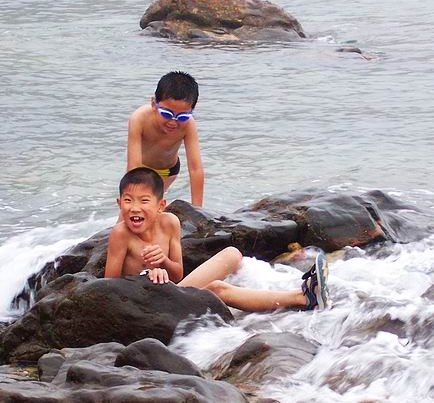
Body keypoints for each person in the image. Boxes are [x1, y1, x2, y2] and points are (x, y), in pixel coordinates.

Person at [105, 167, 329, 312]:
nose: (135, 208)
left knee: (232, 254)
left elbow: (177, 274)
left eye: (144, 201)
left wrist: (162, 262)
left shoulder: (170, 222)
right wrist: (146, 277)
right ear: (119, 203)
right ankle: (302, 298)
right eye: (128, 200)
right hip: (148, 306)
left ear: (160, 205)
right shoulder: (121, 234)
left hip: (170, 292)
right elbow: (108, 288)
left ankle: (275, 290)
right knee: (218, 289)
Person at [126, 71, 204, 206]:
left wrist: (198, 210)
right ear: (153, 103)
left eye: (182, 116)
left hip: (167, 171)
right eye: (167, 114)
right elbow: (133, 167)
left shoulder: (189, 125)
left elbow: (195, 169)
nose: (173, 121)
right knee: (134, 206)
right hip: (140, 166)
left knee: (154, 206)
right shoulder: (139, 118)